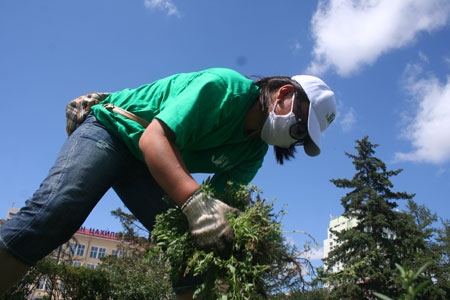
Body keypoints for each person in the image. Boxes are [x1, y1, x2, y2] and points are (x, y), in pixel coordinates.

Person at [0, 67, 336, 299]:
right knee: (56, 212)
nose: (292, 142)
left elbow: (215, 208)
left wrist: (235, 238)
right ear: (285, 95)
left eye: (300, 141)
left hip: (146, 167)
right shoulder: (224, 88)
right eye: (298, 129)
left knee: (196, 250)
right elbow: (154, 140)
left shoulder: (252, 153)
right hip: (113, 131)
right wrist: (194, 202)